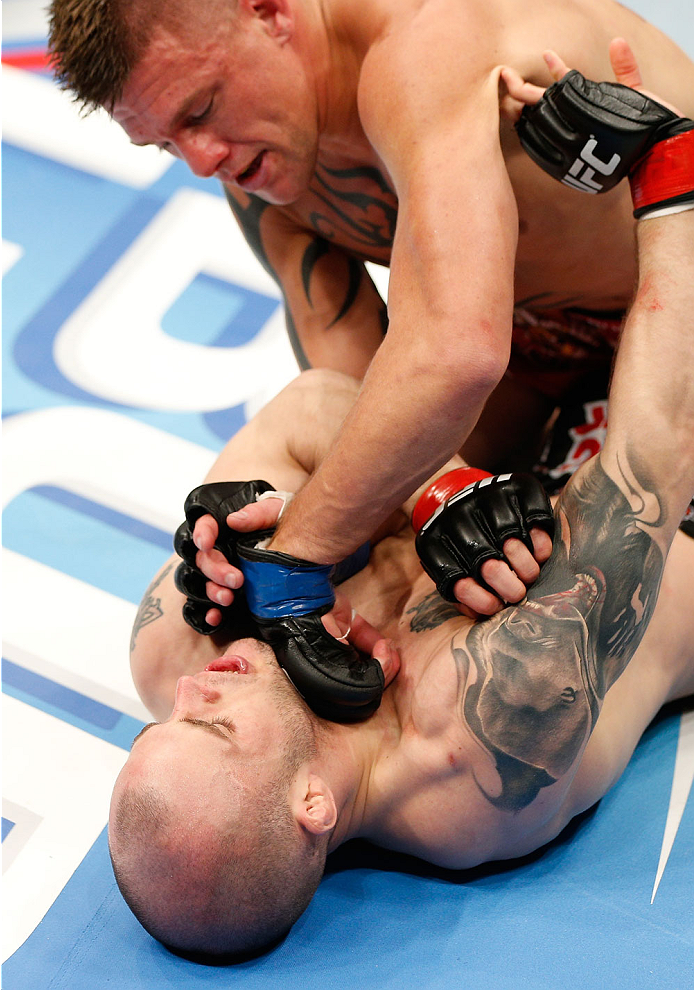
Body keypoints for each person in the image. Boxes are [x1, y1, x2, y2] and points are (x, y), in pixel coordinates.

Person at [109, 53, 694, 960]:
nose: (194, 688)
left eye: (167, 718)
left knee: (501, 132)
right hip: (672, 488)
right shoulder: (484, 736)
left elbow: (314, 404)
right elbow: (655, 458)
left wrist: (432, 490)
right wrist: (674, 172)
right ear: (312, 806)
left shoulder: (179, 648)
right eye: (211, 726)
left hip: (554, 428)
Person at [47, 0, 694, 644]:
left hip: (675, 299)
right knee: (386, 573)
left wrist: (294, 554)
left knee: (591, 610)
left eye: (200, 110)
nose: (201, 161)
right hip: (539, 343)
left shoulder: (421, 39)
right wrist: (439, 491)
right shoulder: (252, 148)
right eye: (164, 142)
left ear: (270, 13)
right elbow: (343, 378)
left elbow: (457, 351)